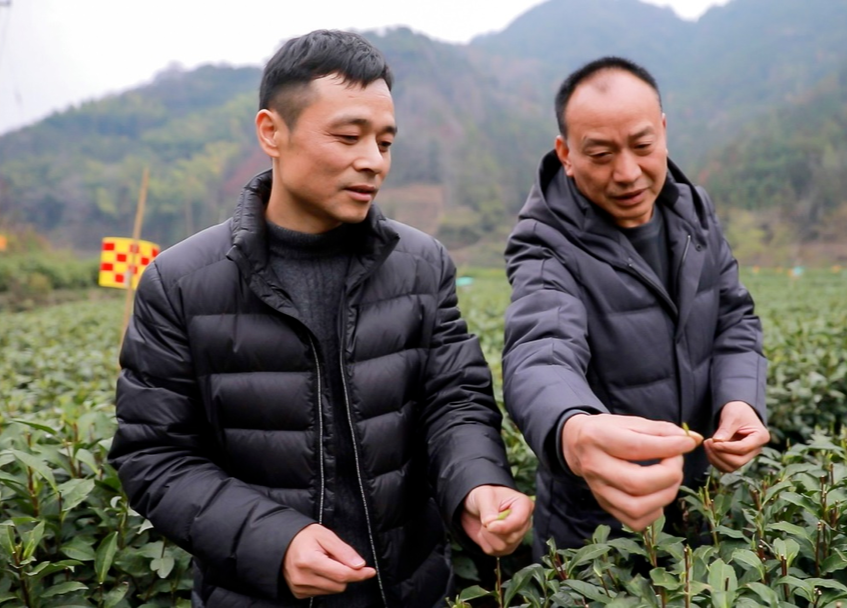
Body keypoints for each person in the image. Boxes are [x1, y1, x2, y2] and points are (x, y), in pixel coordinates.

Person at [109, 30, 532, 608]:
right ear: (271, 132)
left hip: (409, 590)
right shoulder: (180, 283)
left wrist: (477, 484)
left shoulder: (420, 264)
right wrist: (273, 541)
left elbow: (454, 401)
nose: (372, 162)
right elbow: (154, 456)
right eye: (347, 137)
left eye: (385, 142)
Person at [502, 56, 768, 559]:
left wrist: (739, 400)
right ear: (566, 153)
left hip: (699, 506)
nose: (627, 173)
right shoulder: (544, 242)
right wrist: (574, 430)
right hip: (595, 532)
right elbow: (540, 349)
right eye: (600, 154)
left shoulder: (694, 211)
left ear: (663, 131)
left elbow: (734, 317)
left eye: (643, 146)